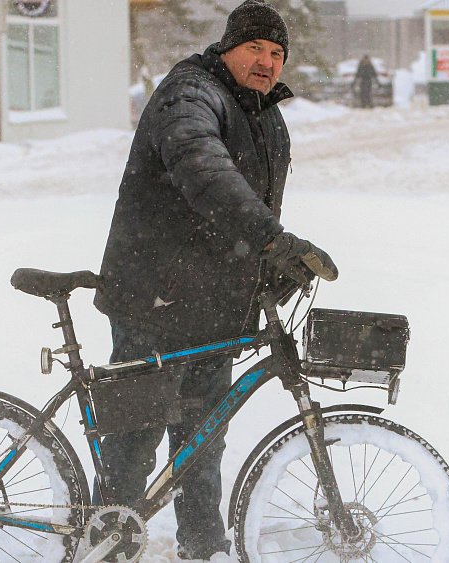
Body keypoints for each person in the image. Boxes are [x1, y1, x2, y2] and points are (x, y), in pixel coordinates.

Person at [93, 0, 337, 559]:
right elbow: (203, 169)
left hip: (212, 306)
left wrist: (264, 273)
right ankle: (108, 540)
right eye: (255, 48)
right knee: (136, 437)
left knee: (202, 440)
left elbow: (238, 206)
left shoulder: (264, 114)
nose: (267, 62)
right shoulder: (190, 94)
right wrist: (272, 241)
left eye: (278, 53)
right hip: (153, 298)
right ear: (227, 48)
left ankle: (203, 548)